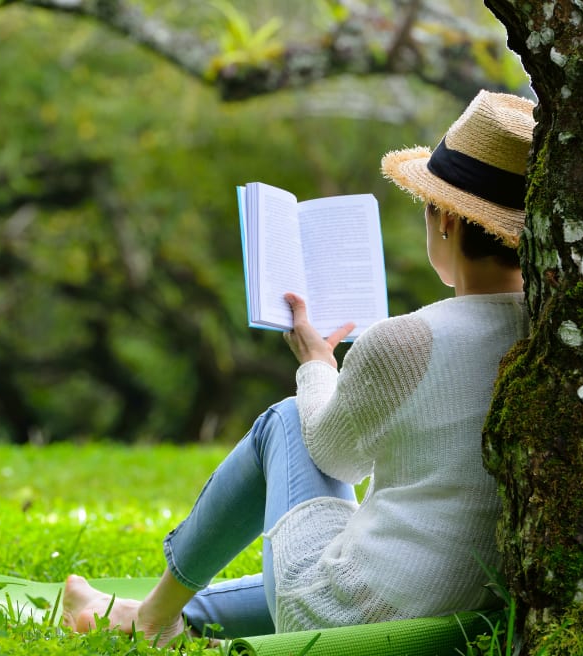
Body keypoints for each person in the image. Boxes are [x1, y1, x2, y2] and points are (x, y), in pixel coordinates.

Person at [61, 89, 536, 644]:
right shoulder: (554, 338)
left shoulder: (406, 339)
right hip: (467, 615)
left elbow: (334, 456)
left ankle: (151, 618)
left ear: (448, 221)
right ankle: (134, 613)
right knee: (347, 551)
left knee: (285, 422)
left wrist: (317, 364)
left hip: (349, 622)